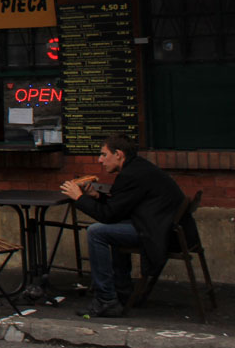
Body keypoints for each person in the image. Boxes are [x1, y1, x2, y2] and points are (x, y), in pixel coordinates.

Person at [60, 134, 194, 318]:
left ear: (119, 154)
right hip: (166, 229)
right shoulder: (138, 168)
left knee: (96, 232)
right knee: (112, 230)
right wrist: (97, 197)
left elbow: (108, 215)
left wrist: (79, 198)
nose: (100, 160)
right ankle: (122, 291)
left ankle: (106, 298)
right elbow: (121, 208)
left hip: (159, 234)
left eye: (103, 154)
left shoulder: (130, 175)